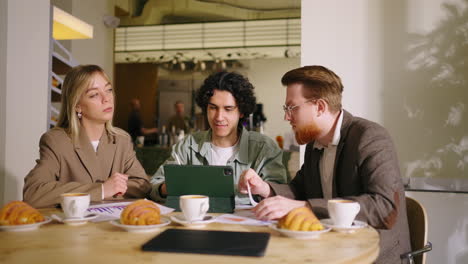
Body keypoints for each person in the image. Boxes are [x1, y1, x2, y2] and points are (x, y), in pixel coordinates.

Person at [238, 66, 411, 263]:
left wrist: (307, 207)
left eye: (292, 108)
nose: (287, 117)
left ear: (320, 107)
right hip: (333, 249)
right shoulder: (315, 143)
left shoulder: (370, 137)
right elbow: (300, 189)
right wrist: (265, 188)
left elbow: (385, 207)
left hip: (373, 255)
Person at [23, 65, 151, 208]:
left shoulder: (122, 140)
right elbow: (34, 193)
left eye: (108, 90)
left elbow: (142, 186)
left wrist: (112, 188)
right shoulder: (56, 141)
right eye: (94, 94)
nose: (106, 99)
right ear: (77, 105)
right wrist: (101, 190)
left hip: (114, 226)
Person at [150, 71, 287, 205]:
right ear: (205, 108)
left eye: (228, 109)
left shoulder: (263, 148)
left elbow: (280, 195)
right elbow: (153, 186)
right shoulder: (188, 145)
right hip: (196, 225)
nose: (219, 117)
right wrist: (167, 187)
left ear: (241, 112)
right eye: (213, 108)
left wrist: (262, 187)